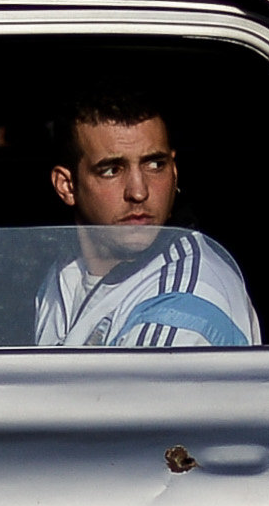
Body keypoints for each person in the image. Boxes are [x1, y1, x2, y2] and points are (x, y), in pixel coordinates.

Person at [32, 81, 257, 348]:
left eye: (154, 165)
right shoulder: (64, 270)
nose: (138, 192)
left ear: (174, 171)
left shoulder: (184, 299)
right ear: (67, 186)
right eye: (112, 170)